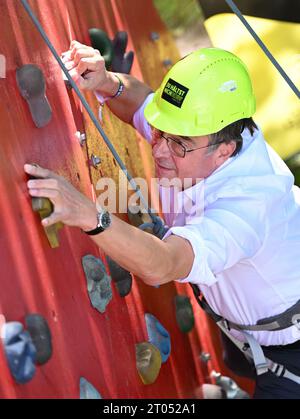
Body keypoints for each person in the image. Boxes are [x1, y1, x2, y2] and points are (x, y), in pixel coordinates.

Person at [25, 41, 300, 399]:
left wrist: (88, 213)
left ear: (225, 151)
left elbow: (165, 264)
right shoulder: (205, 134)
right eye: (158, 131)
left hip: (291, 355)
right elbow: (143, 102)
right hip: (247, 326)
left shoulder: (248, 207)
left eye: (178, 144)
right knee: (237, 365)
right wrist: (108, 82)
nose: (157, 150)